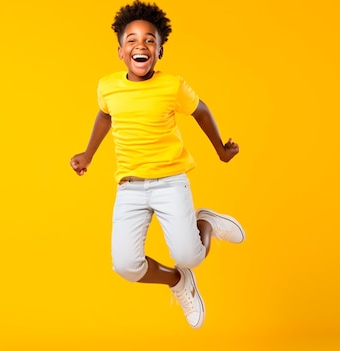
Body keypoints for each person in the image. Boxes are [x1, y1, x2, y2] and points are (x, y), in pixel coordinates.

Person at [70, 0, 245, 329]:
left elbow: (202, 111)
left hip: (169, 182)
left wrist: (221, 149)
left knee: (191, 255)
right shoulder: (107, 86)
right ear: (120, 51)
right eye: (132, 40)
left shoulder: (171, 85)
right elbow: (105, 116)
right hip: (130, 187)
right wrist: (87, 154)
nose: (141, 45)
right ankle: (178, 281)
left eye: (150, 40)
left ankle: (205, 223)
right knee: (126, 266)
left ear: (160, 51)